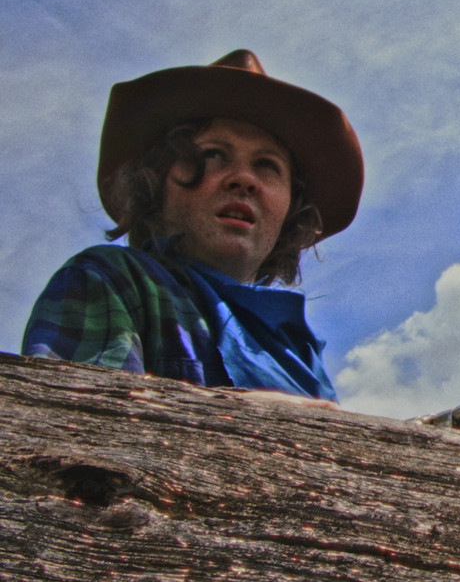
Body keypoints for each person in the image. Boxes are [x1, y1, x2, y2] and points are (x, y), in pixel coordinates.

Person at [23, 50, 363, 403]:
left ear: (291, 209)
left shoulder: (298, 350)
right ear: (154, 183)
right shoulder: (110, 279)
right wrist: (247, 413)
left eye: (267, 165)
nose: (244, 179)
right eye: (213, 154)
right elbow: (80, 416)